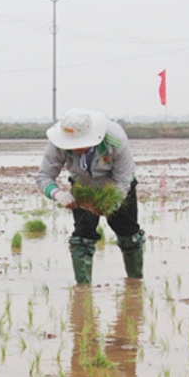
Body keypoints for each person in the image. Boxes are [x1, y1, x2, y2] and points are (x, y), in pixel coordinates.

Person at [37, 108, 145, 284]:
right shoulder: (57, 143)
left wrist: (111, 203)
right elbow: (44, 176)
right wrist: (58, 194)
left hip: (115, 184)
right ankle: (83, 288)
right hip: (83, 185)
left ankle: (135, 283)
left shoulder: (115, 139)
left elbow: (123, 180)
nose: (76, 149)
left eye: (81, 144)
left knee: (129, 235)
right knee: (82, 237)